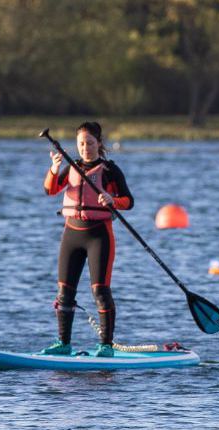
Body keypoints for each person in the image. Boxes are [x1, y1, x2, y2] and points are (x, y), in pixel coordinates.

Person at [41, 122, 134, 357]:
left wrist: (113, 201)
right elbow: (50, 190)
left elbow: (128, 201)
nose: (85, 148)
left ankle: (106, 345)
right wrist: (53, 169)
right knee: (64, 293)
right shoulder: (71, 167)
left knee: (100, 291)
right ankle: (63, 344)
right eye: (81, 143)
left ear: (99, 144)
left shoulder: (110, 170)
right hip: (72, 234)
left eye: (90, 143)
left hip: (98, 236)